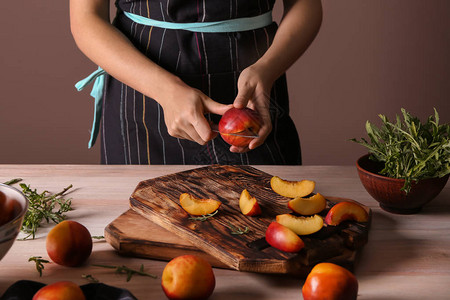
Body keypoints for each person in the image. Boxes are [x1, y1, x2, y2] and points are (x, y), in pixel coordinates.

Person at [70, 0, 322, 165]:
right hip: (141, 107)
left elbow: (306, 6)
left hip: (253, 102)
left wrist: (267, 69)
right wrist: (166, 91)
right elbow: (86, 18)